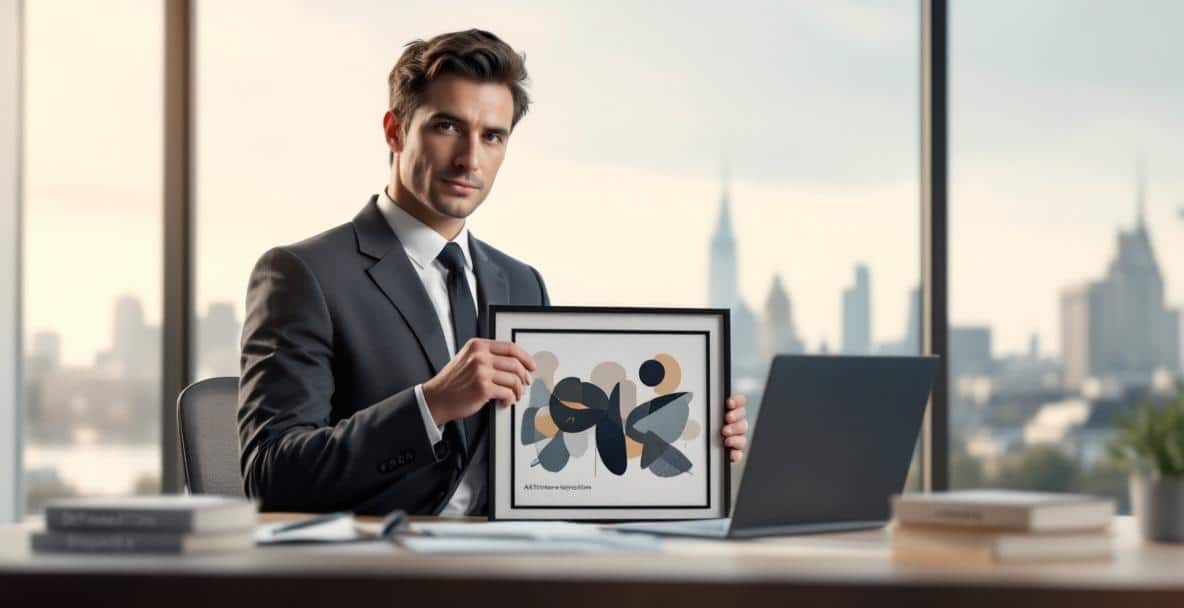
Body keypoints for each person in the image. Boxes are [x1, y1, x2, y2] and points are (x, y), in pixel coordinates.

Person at [237, 29, 748, 515]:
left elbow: (557, 463)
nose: (469, 158)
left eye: (492, 136)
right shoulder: (304, 275)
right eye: (447, 126)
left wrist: (690, 445)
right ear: (395, 130)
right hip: (378, 573)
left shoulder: (523, 282)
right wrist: (430, 405)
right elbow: (272, 474)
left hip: (513, 566)